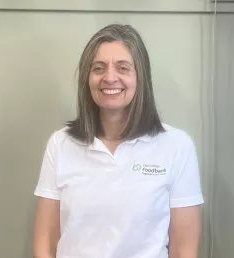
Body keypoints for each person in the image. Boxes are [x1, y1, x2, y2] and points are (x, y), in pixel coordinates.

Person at [33, 24, 204, 258]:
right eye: (99, 68)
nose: (110, 78)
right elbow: (47, 237)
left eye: (123, 68)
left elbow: (184, 249)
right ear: (87, 78)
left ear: (140, 76)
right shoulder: (60, 144)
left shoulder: (177, 147)